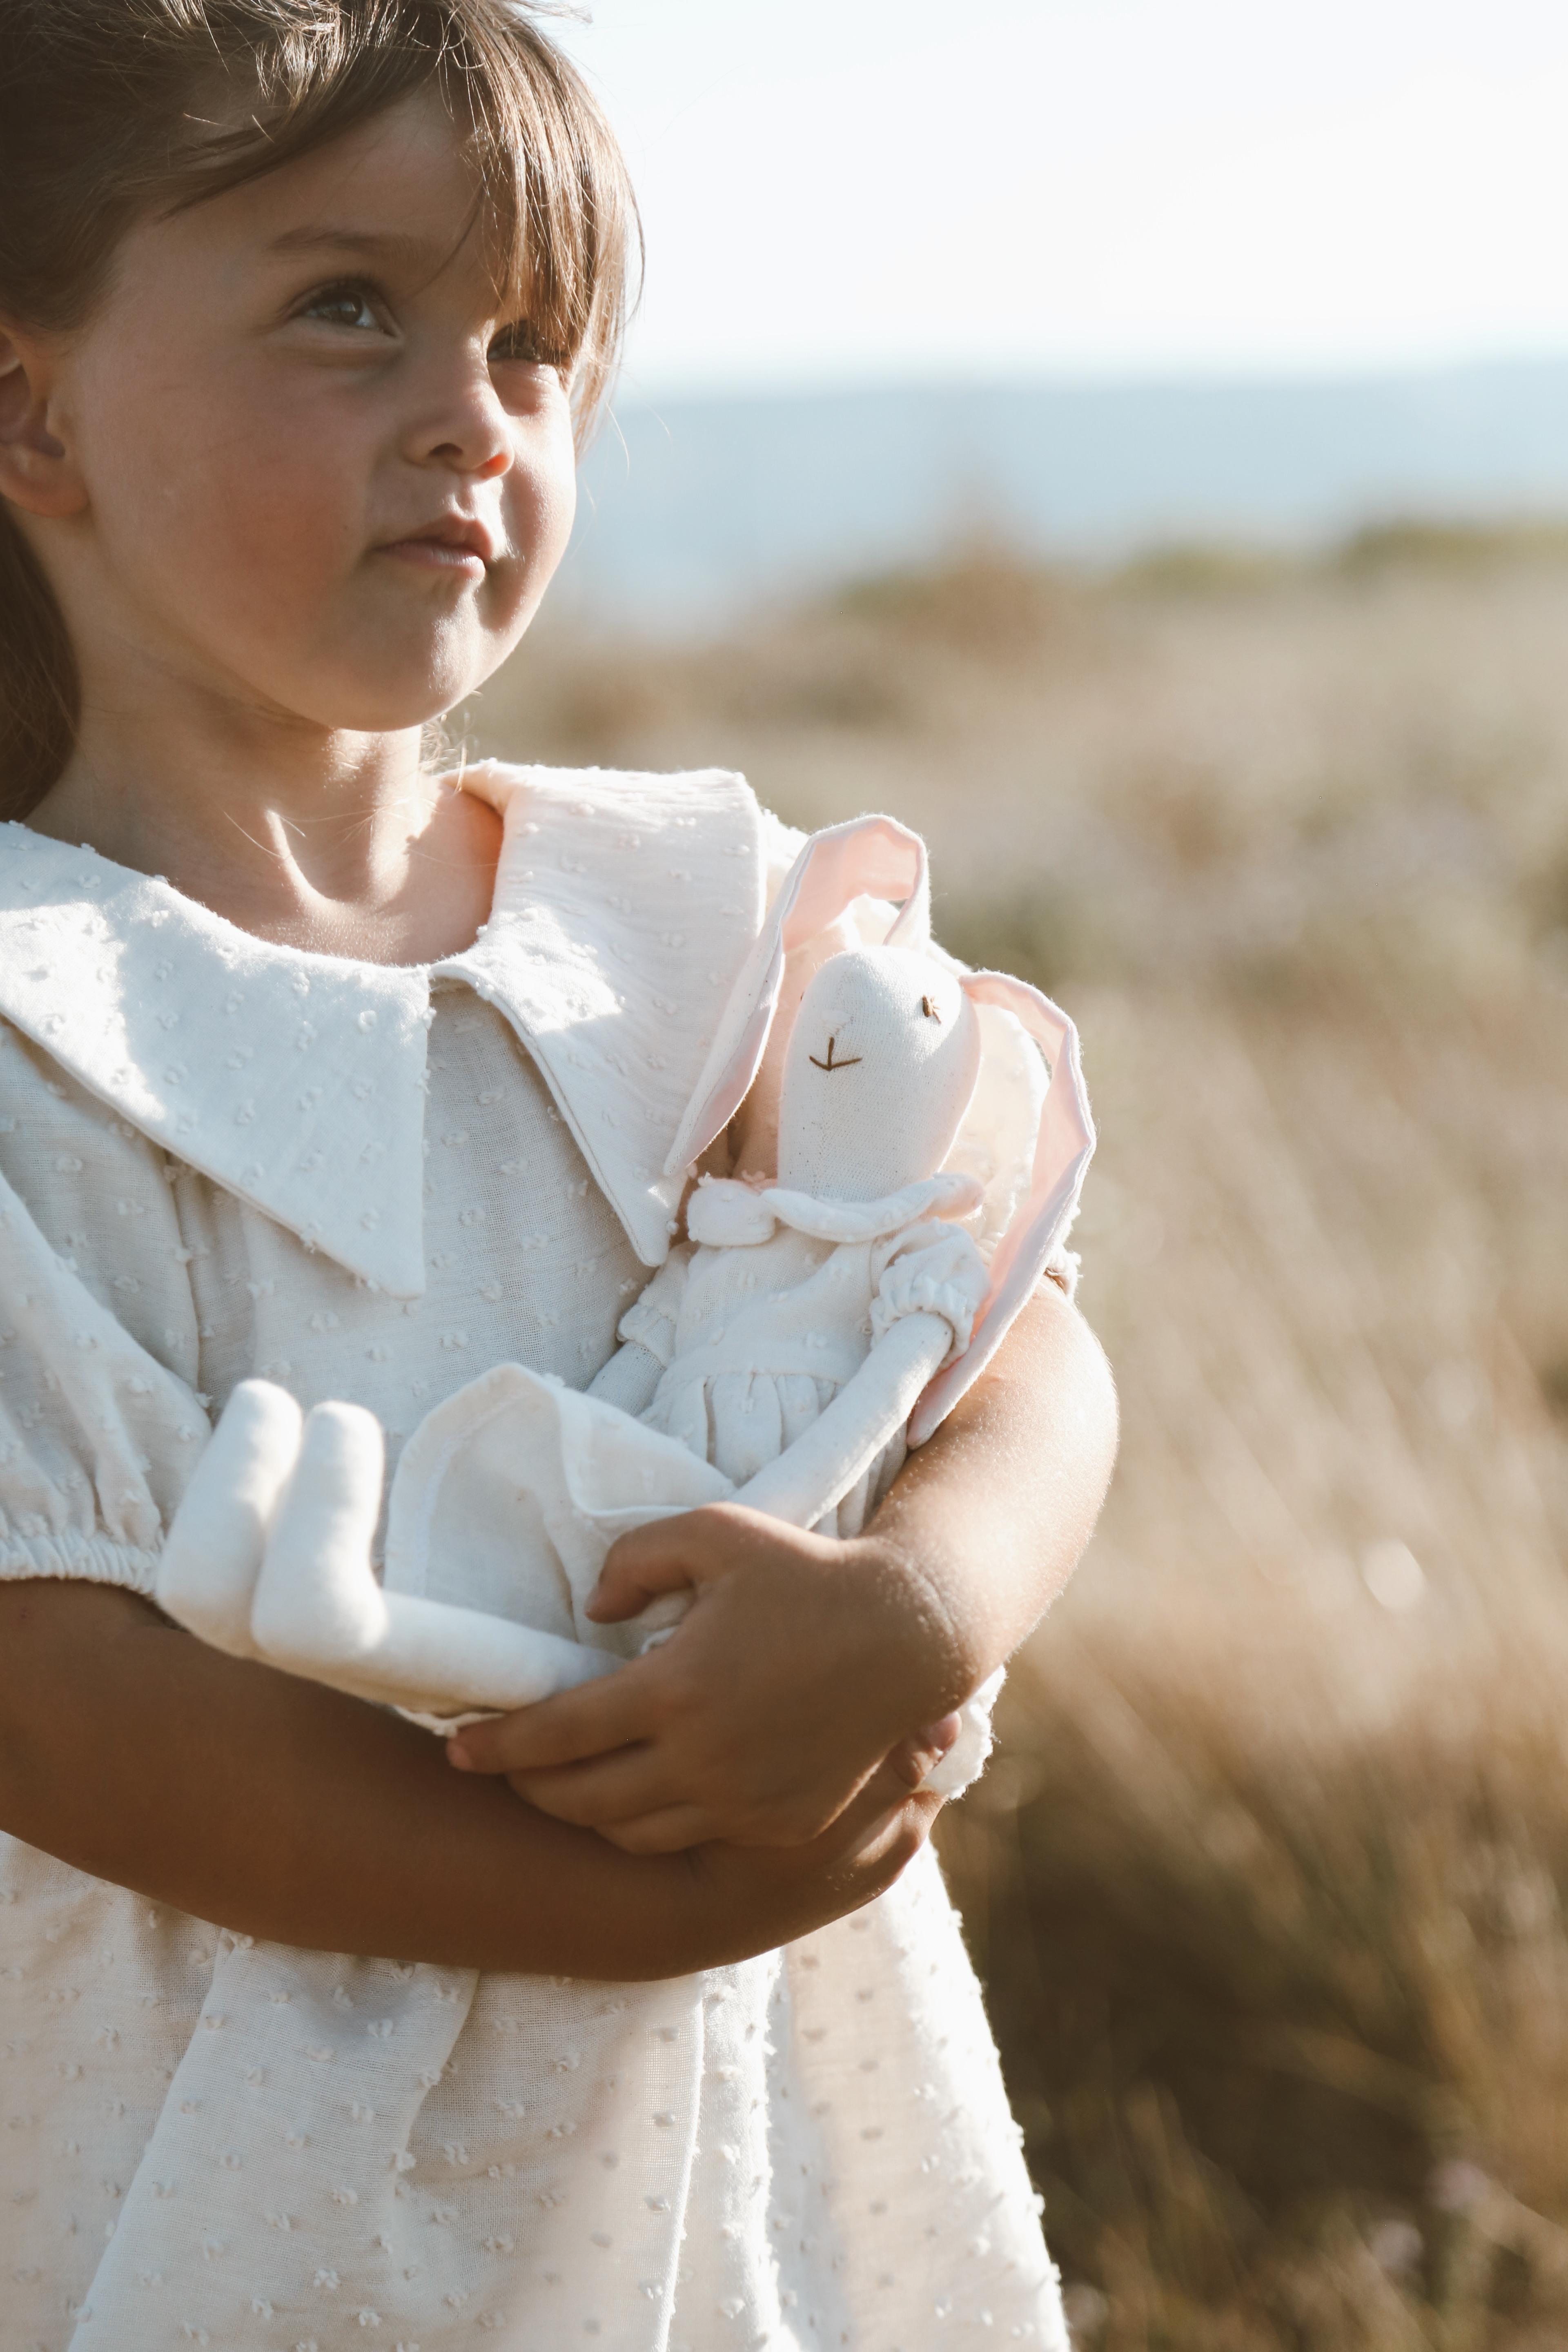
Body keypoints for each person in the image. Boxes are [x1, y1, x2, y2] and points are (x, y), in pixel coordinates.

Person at [0, 4, 1119, 2345]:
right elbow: (60, 1692)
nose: (472, 414)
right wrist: (651, 1908)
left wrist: (918, 1613)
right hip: (233, 2192)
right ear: (32, 410)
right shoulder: (35, 1024)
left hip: (752, 2143)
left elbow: (1012, 1335)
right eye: (348, 308)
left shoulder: (686, 931)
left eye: (536, 343)